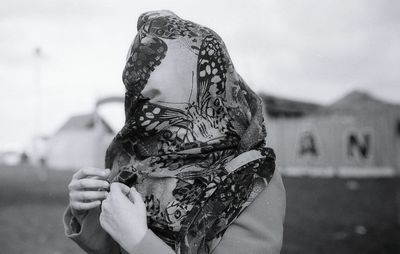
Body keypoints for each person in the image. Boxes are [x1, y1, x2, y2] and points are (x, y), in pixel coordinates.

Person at [64, 10, 286, 254]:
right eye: (138, 97)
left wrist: (139, 241)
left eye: (158, 97)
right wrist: (87, 212)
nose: (143, 114)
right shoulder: (137, 164)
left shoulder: (252, 176)